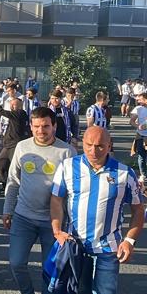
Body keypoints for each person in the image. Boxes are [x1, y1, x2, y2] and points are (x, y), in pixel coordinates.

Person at [51, 126, 144, 294]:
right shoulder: (67, 166)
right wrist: (57, 231)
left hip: (108, 249)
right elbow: (56, 200)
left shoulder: (125, 173)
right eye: (89, 145)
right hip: (75, 246)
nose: (93, 150)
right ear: (82, 144)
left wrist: (129, 241)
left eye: (100, 146)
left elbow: (138, 210)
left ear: (109, 146)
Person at [2, 107, 76, 294]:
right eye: (36, 126)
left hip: (53, 222)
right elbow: (13, 180)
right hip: (23, 217)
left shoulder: (67, 152)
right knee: (16, 263)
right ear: (30, 126)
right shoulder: (22, 147)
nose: (41, 131)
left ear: (54, 126)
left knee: (49, 270)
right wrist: (7, 210)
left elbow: (74, 191)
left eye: (46, 126)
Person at [0, 91, 29, 195]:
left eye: (14, 105)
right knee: (2, 164)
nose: (11, 107)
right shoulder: (16, 114)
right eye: (11, 105)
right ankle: (5, 186)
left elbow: (0, 111)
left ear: (20, 106)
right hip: (8, 145)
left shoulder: (19, 114)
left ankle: (19, 189)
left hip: (15, 145)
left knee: (15, 168)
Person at [130, 92, 147, 184]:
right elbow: (132, 121)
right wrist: (138, 126)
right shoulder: (138, 109)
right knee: (141, 156)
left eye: (140, 99)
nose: (138, 101)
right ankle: (143, 175)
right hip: (141, 135)